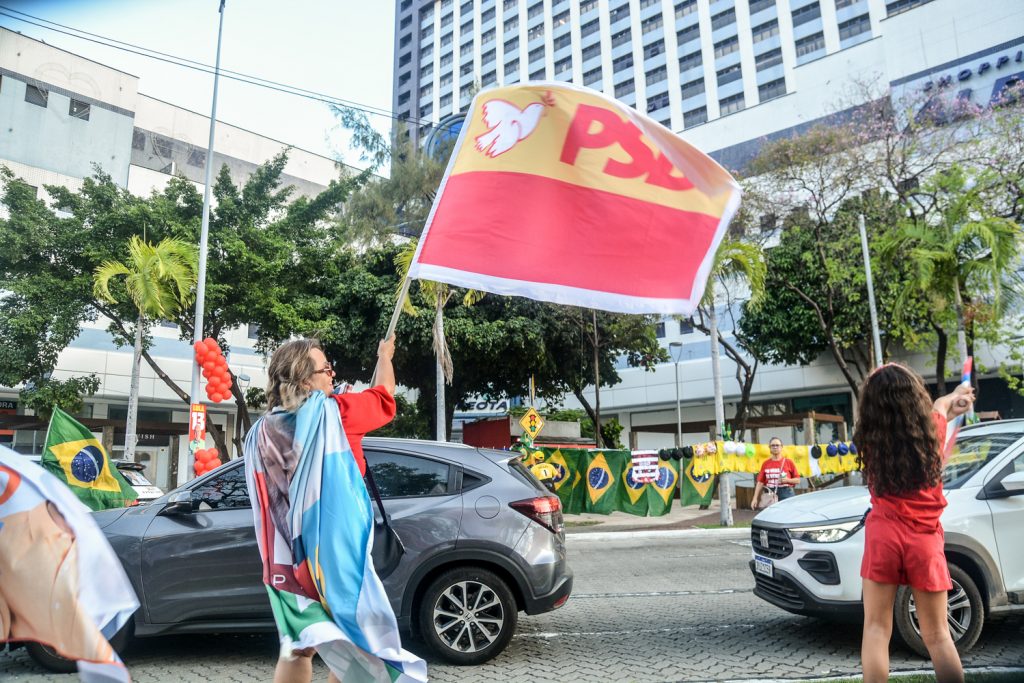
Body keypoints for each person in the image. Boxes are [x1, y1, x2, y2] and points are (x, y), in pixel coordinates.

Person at [244, 335, 427, 683]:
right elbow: (384, 393)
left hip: (287, 558)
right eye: (324, 369)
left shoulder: (262, 431)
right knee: (359, 644)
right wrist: (384, 355)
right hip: (334, 559)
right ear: (303, 381)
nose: (332, 375)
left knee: (298, 645)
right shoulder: (336, 414)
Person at [855, 363, 973, 683]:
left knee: (877, 629)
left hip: (883, 535)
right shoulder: (932, 429)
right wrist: (955, 397)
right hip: (924, 538)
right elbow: (938, 408)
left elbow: (939, 408)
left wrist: (952, 401)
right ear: (915, 398)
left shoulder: (869, 439)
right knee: (937, 635)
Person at [751, 437, 800, 509]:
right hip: (770, 493)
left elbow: (798, 480)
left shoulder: (788, 462)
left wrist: (787, 480)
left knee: (787, 516)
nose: (775, 447)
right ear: (769, 447)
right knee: (771, 516)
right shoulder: (765, 463)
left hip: (786, 492)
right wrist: (754, 498)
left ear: (781, 447)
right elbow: (760, 482)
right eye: (773, 445)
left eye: (777, 445)